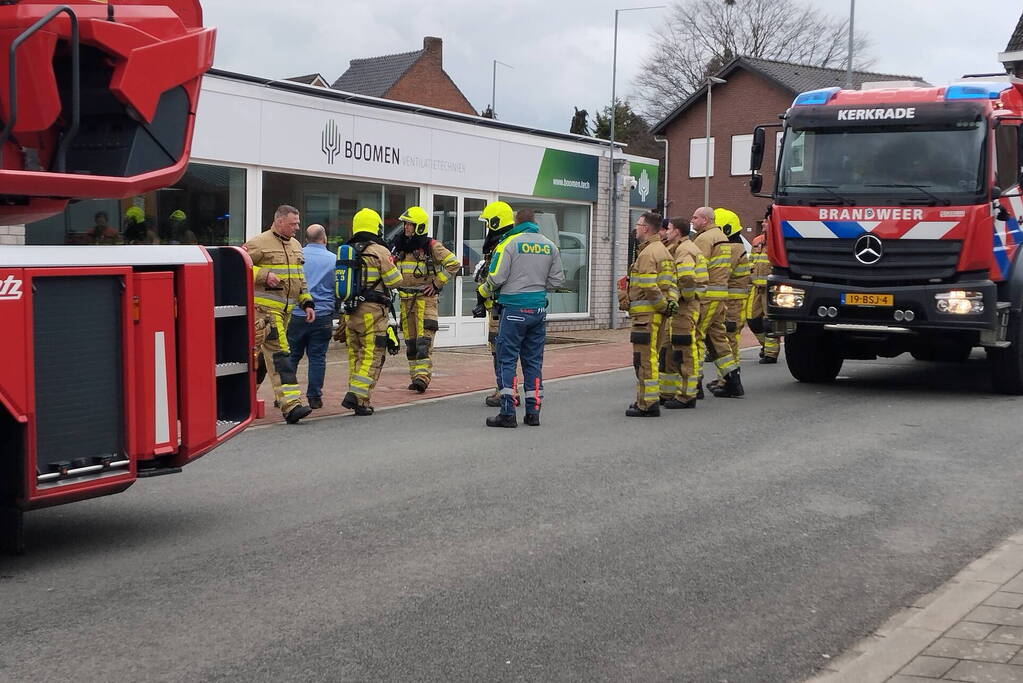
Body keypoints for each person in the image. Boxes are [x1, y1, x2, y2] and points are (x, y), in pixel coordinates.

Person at [477, 201, 564, 427]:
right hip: (537, 311)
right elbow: (557, 280)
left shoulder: (509, 244)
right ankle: (533, 412)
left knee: (507, 360)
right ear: (534, 223)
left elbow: (496, 277)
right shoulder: (549, 245)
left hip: (514, 310)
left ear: (517, 222)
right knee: (533, 362)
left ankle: (507, 412)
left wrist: (482, 291)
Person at [244, 204, 315, 424]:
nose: (297, 227)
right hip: (264, 313)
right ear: (279, 221)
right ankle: (291, 405)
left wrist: (307, 302)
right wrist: (264, 275)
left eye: (298, 223)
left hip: (287, 313)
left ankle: (239, 403)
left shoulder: (295, 245)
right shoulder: (258, 243)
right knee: (281, 354)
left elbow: (299, 278)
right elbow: (238, 265)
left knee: (261, 362)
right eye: (293, 223)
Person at [341, 208, 403, 416]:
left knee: (355, 354)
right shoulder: (379, 251)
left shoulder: (347, 249)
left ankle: (358, 398)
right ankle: (358, 396)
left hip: (350, 311)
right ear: (376, 227)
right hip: (373, 312)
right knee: (373, 354)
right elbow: (395, 281)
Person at [392, 205, 460, 393]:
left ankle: (423, 376)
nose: (406, 227)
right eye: (405, 224)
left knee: (424, 341)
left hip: (425, 300)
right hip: (406, 301)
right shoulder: (399, 246)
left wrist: (437, 284)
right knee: (411, 342)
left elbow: (454, 264)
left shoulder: (432, 246)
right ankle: (415, 377)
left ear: (419, 227)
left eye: (410, 224)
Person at [619, 211, 678, 417]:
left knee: (644, 359)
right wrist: (668, 305)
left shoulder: (648, 253)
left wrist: (661, 305)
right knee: (651, 356)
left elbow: (649, 285)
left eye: (638, 225)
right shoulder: (663, 251)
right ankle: (647, 399)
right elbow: (671, 283)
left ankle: (647, 403)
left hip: (646, 316)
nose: (636, 229)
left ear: (646, 228)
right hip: (657, 315)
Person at [692, 206, 742, 399]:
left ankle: (693, 385)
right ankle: (733, 382)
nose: (693, 220)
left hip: (707, 297)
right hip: (720, 297)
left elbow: (697, 267)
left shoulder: (704, 239)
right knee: (718, 340)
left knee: (695, 336)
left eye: (695, 217)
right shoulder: (721, 236)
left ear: (705, 220)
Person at [657, 217, 708, 409]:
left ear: (677, 231)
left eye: (669, 229)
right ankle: (668, 392)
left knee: (684, 350)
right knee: (670, 348)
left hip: (685, 308)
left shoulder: (684, 250)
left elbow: (686, 277)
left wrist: (685, 298)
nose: (667, 232)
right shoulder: (685, 247)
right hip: (683, 307)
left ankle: (687, 396)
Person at [287, 224, 336, 409]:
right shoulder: (334, 260)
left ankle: (286, 396)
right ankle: (314, 396)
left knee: (291, 356)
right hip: (322, 315)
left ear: (305, 240)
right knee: (317, 357)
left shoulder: (297, 257)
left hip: (297, 314)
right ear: (325, 239)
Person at [709, 208, 750, 397]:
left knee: (729, 342)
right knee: (727, 341)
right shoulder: (736, 247)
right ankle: (724, 379)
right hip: (732, 303)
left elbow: (720, 272)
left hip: (732, 305)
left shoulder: (732, 249)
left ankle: (730, 381)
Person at [747, 215, 780, 364]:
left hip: (771, 289)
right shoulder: (757, 241)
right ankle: (765, 345)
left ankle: (771, 354)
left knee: (769, 322)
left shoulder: (778, 241)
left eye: (766, 221)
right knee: (752, 320)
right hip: (756, 288)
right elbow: (751, 262)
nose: (763, 224)